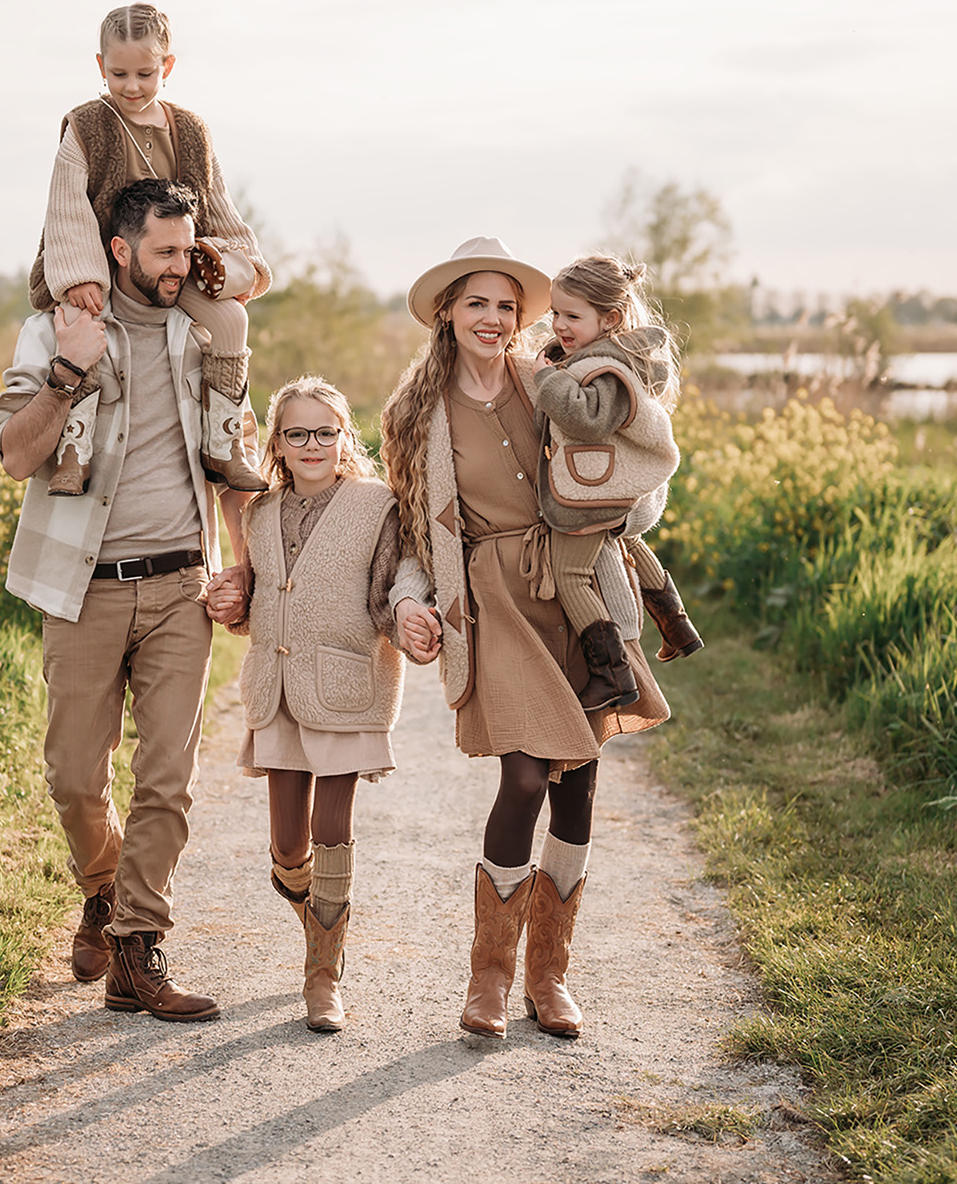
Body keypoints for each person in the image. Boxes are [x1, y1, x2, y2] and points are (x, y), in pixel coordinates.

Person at [379, 236, 671, 1041]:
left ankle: (549, 975)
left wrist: (627, 517)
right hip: (491, 600)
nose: (495, 318)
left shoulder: (554, 376)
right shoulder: (416, 414)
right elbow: (408, 535)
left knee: (577, 780)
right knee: (523, 775)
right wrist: (412, 600)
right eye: (477, 302)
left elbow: (629, 463)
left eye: (508, 305)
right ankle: (490, 976)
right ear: (447, 312)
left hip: (573, 587)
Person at [0, 177, 257, 1024]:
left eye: (188, 250)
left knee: (167, 777)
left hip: (182, 584)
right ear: (119, 250)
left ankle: (138, 950)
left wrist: (242, 567)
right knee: (74, 777)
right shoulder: (53, 331)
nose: (181, 266)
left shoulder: (202, 338)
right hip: (82, 589)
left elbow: (233, 463)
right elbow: (14, 454)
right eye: (165, 251)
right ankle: (103, 890)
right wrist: (67, 372)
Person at [204, 377, 424, 1033]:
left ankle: (323, 971)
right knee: (285, 848)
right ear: (276, 442)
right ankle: (319, 911)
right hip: (277, 691)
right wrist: (232, 599)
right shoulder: (259, 512)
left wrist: (412, 613)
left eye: (325, 432)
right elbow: (257, 594)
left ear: (343, 437)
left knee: (331, 828)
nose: (312, 444)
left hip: (347, 686)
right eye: (296, 433)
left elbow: (395, 580)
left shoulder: (375, 505)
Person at [27, 1, 272, 497]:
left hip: (168, 267)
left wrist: (242, 262)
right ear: (100, 66)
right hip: (102, 265)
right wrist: (80, 277)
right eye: (118, 73)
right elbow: (68, 208)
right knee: (80, 325)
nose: (132, 85)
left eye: (145, 72)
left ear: (168, 66)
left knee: (232, 322)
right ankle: (75, 451)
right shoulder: (86, 127)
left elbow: (215, 200)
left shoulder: (190, 130)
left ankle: (223, 446)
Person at [531, 254, 702, 712]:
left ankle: (611, 674)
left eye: (572, 316)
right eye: (555, 313)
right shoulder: (614, 353)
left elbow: (588, 418)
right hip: (611, 486)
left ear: (610, 318)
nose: (558, 325)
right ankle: (676, 624)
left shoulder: (607, 364)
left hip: (592, 488)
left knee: (569, 573)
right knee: (626, 541)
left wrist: (545, 377)